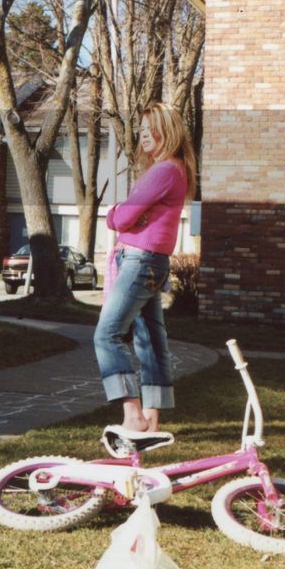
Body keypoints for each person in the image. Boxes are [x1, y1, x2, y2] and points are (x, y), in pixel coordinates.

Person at [93, 102, 197, 438]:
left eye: (150, 129)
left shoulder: (164, 171)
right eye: (141, 131)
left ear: (166, 130)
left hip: (139, 261)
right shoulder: (176, 170)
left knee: (106, 334)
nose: (144, 137)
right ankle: (152, 416)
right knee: (151, 340)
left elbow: (122, 218)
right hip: (153, 262)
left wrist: (114, 214)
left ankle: (132, 414)